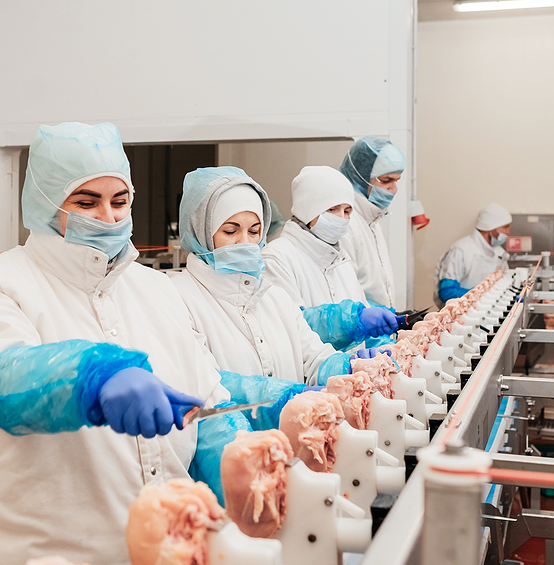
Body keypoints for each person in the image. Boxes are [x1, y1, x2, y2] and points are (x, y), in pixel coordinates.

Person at [0, 122, 257, 565]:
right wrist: (95, 376)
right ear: (47, 203)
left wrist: (239, 490)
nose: (109, 217)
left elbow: (207, 401)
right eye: (86, 202)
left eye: (120, 200)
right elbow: (4, 382)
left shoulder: (155, 290)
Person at [171, 166, 357, 388]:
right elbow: (206, 385)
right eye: (231, 231)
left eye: (254, 231)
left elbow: (315, 359)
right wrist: (283, 398)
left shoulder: (274, 297)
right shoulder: (176, 298)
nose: (245, 242)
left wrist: (356, 367)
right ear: (200, 233)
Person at [262, 166, 398, 350]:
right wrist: (351, 321)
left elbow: (364, 328)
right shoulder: (277, 259)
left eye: (347, 211)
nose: (341, 218)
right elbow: (292, 328)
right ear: (307, 210)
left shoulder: (340, 260)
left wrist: (389, 347)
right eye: (332, 209)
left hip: (354, 376)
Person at [339, 136, 406, 308]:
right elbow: (347, 294)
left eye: (396, 180)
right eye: (386, 181)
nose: (394, 189)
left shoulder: (372, 219)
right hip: (365, 330)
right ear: (360, 176)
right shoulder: (347, 223)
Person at [435, 202, 512, 303]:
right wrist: (483, 295)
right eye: (505, 227)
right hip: (462, 315)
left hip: (488, 311)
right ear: (491, 228)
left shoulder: (499, 253)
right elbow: (447, 292)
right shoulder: (460, 250)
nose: (508, 232)